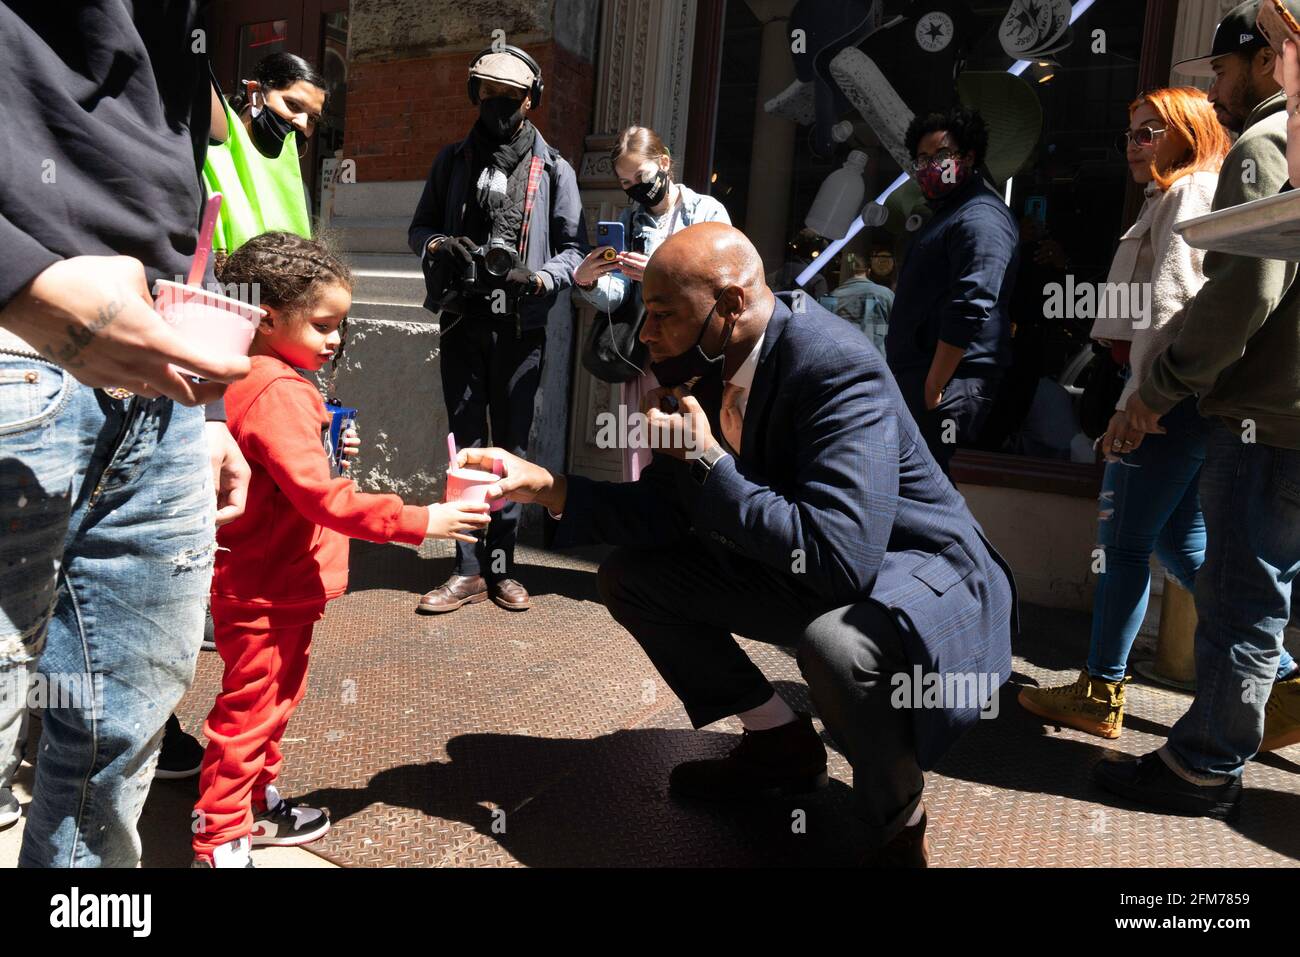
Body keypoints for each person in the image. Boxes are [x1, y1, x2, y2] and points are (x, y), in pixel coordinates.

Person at [461, 222, 1017, 867]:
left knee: (838, 647)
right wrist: (549, 488)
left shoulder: (834, 365)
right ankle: (781, 749)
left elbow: (839, 557)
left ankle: (896, 822)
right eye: (647, 314)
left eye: (663, 315)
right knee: (631, 578)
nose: (645, 334)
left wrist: (709, 467)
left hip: (921, 575)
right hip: (821, 562)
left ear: (729, 306)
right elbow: (667, 515)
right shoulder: (700, 366)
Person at [0, 2, 251, 867]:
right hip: (13, 339)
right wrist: (17, 277)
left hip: (158, 374)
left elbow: (171, 155)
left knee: (117, 748)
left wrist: (204, 405)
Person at [191, 233, 492, 868]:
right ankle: (219, 837)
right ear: (268, 316)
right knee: (250, 711)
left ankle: (253, 803)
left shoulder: (252, 377)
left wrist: (324, 443)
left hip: (269, 579)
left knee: (271, 700)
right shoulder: (280, 390)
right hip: (269, 584)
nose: (335, 339)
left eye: (341, 325)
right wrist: (422, 518)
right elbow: (323, 500)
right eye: (324, 324)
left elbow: (280, 471)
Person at [1094, 0, 1300, 818]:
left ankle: (1203, 767)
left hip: (1264, 413)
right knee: (1250, 584)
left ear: (1267, 58)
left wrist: (1160, 388)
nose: (1215, 91)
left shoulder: (1266, 142)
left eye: (1221, 70)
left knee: (1241, 596)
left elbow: (1242, 287)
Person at [1020, 87, 1244, 738]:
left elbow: (1171, 310)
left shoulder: (1187, 194)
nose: (1135, 145)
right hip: (1178, 400)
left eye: (1150, 132)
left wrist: (1134, 404)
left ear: (1187, 131)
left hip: (1160, 400)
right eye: (1131, 134)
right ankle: (1283, 674)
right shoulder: (1177, 193)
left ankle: (1100, 690)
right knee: (1180, 543)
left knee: (1123, 544)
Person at [408, 43, 585, 616]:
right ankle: (466, 569)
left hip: (520, 331)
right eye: (488, 96)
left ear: (530, 100)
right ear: (474, 96)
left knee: (511, 447)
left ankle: (502, 566)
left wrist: (538, 279)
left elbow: (574, 250)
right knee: (465, 444)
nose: (498, 107)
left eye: (510, 99)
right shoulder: (451, 160)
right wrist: (441, 245)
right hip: (462, 321)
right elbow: (421, 228)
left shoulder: (555, 169)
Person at [572, 125, 730, 481]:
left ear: (663, 162)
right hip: (647, 354)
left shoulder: (706, 211)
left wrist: (660, 273)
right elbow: (618, 296)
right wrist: (588, 280)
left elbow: (723, 282)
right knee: (643, 452)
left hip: (696, 356)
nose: (636, 188)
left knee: (694, 449)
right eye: (626, 183)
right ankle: (643, 530)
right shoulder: (629, 220)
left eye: (640, 176)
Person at [886, 107, 1019, 475]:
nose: (931, 165)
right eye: (923, 158)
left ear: (969, 157)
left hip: (949, 382)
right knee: (918, 487)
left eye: (941, 156)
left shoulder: (981, 217)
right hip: (924, 377)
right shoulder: (948, 214)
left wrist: (934, 384)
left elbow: (971, 305)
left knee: (927, 486)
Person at [204, 52, 327, 254]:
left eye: (312, 119)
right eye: (293, 105)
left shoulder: (298, 189)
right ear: (255, 93)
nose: (303, 124)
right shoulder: (208, 154)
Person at [827, 251, 894, 353]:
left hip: (840, 357)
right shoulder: (885, 294)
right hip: (875, 359)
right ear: (869, 271)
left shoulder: (833, 295)